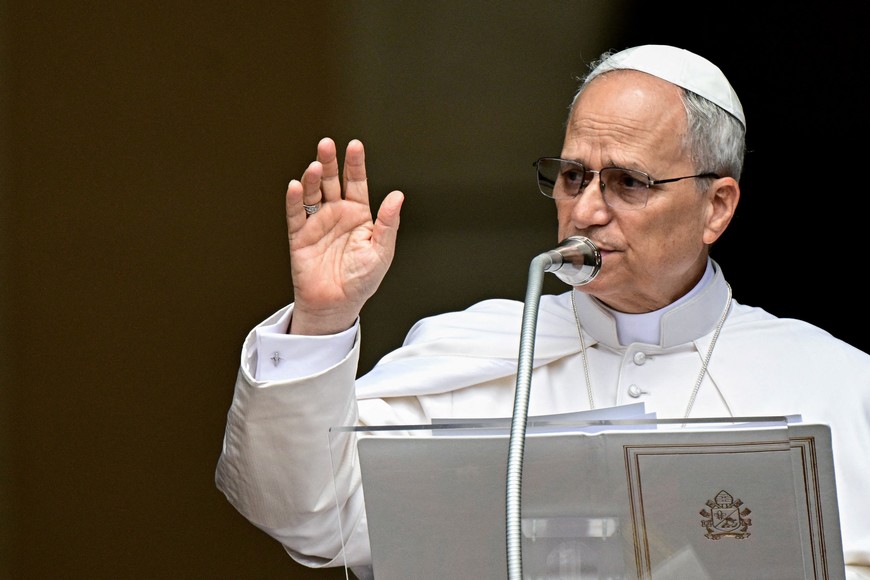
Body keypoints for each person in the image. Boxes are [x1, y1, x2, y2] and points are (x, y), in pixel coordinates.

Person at [215, 45, 870, 578]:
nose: (584, 211)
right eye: (573, 175)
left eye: (628, 182)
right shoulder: (468, 353)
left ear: (717, 207)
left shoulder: (834, 381)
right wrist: (324, 318)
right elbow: (309, 521)